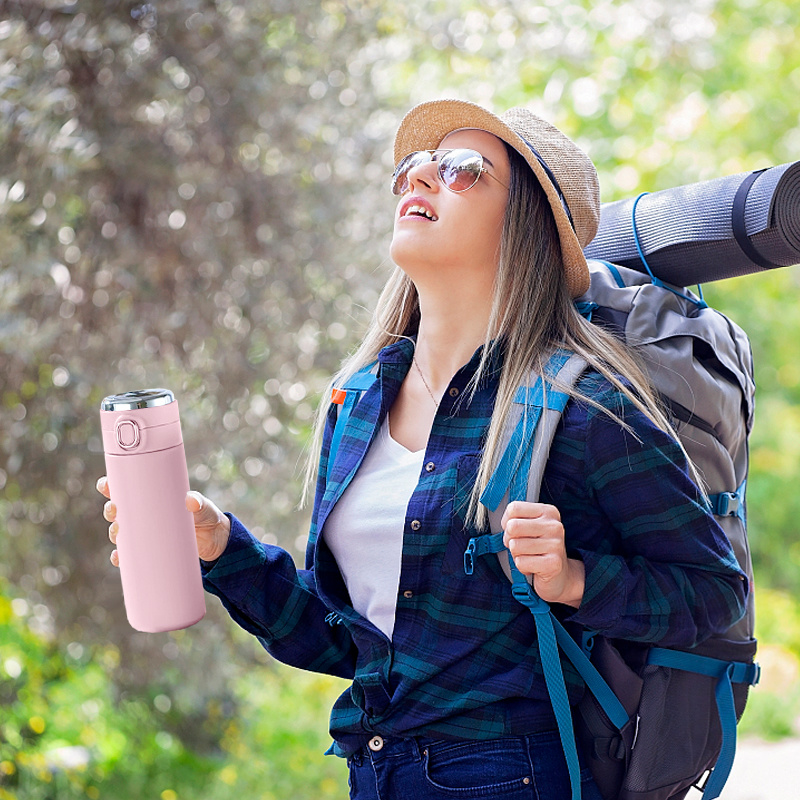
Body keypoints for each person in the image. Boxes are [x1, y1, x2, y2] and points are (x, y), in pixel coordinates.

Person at [97, 99, 748, 800]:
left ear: (523, 225)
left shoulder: (586, 410)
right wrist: (222, 548)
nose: (420, 179)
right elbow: (345, 641)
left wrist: (574, 581)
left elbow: (715, 593)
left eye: (463, 169)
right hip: (372, 772)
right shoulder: (356, 403)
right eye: (411, 168)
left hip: (511, 779)